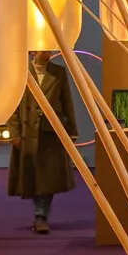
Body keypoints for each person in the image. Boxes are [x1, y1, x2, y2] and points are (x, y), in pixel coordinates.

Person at [8, 50, 77, 233]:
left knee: (48, 177)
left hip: (51, 134)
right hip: (27, 134)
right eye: (43, 47)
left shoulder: (58, 72)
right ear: (33, 51)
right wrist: (14, 133)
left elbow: (66, 101)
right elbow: (13, 105)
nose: (47, 50)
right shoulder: (20, 73)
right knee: (32, 176)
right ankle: (40, 213)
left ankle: (41, 215)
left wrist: (71, 131)